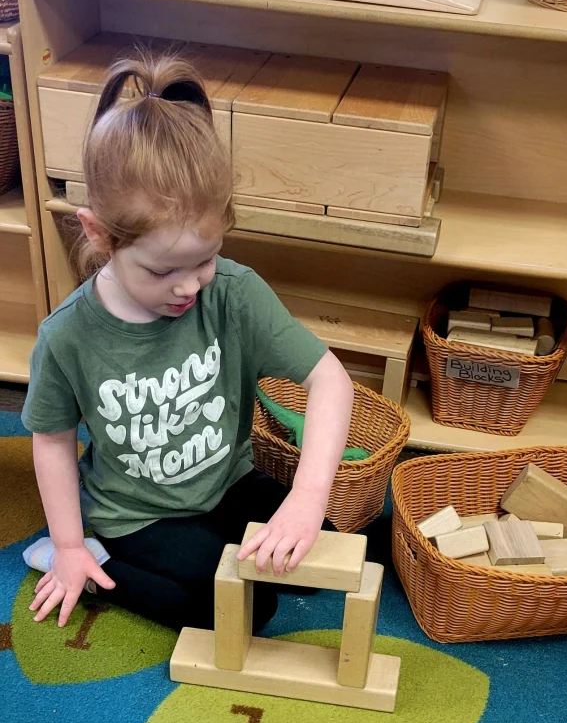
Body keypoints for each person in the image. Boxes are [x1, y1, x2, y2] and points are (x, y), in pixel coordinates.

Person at [21, 51, 354, 632]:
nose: (188, 287)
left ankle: (229, 544)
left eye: (205, 260)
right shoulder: (67, 335)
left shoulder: (234, 292)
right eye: (161, 270)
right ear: (98, 234)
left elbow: (330, 379)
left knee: (322, 551)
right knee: (244, 609)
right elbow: (51, 440)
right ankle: (96, 564)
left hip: (228, 485)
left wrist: (306, 498)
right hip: (137, 516)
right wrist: (69, 545)